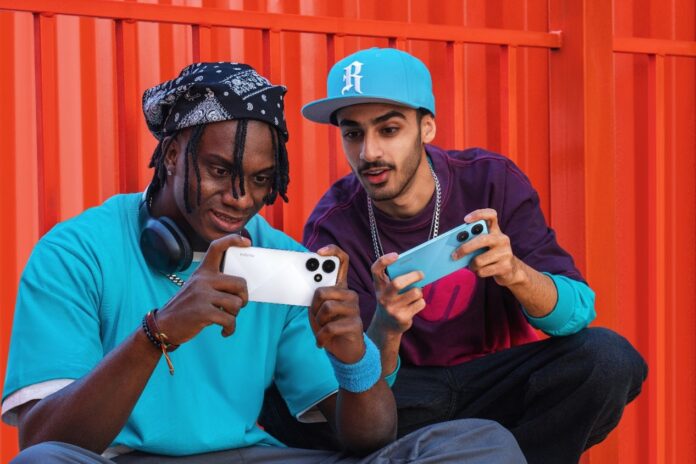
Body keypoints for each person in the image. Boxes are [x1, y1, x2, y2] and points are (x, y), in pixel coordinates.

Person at [2, 62, 526, 463]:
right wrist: (157, 334)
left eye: (259, 181)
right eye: (219, 170)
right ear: (171, 155)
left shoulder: (285, 260)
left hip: (250, 456)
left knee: (481, 444)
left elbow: (368, 438)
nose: (240, 198)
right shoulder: (76, 252)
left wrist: (353, 355)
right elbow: (43, 440)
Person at [259, 48, 648, 464]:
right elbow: (361, 385)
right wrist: (387, 327)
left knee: (607, 358)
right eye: (353, 134)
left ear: (427, 127)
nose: (369, 152)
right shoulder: (333, 224)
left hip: (494, 385)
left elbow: (577, 312)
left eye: (389, 130)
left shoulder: (490, 180)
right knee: (287, 397)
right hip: (405, 399)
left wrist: (516, 273)